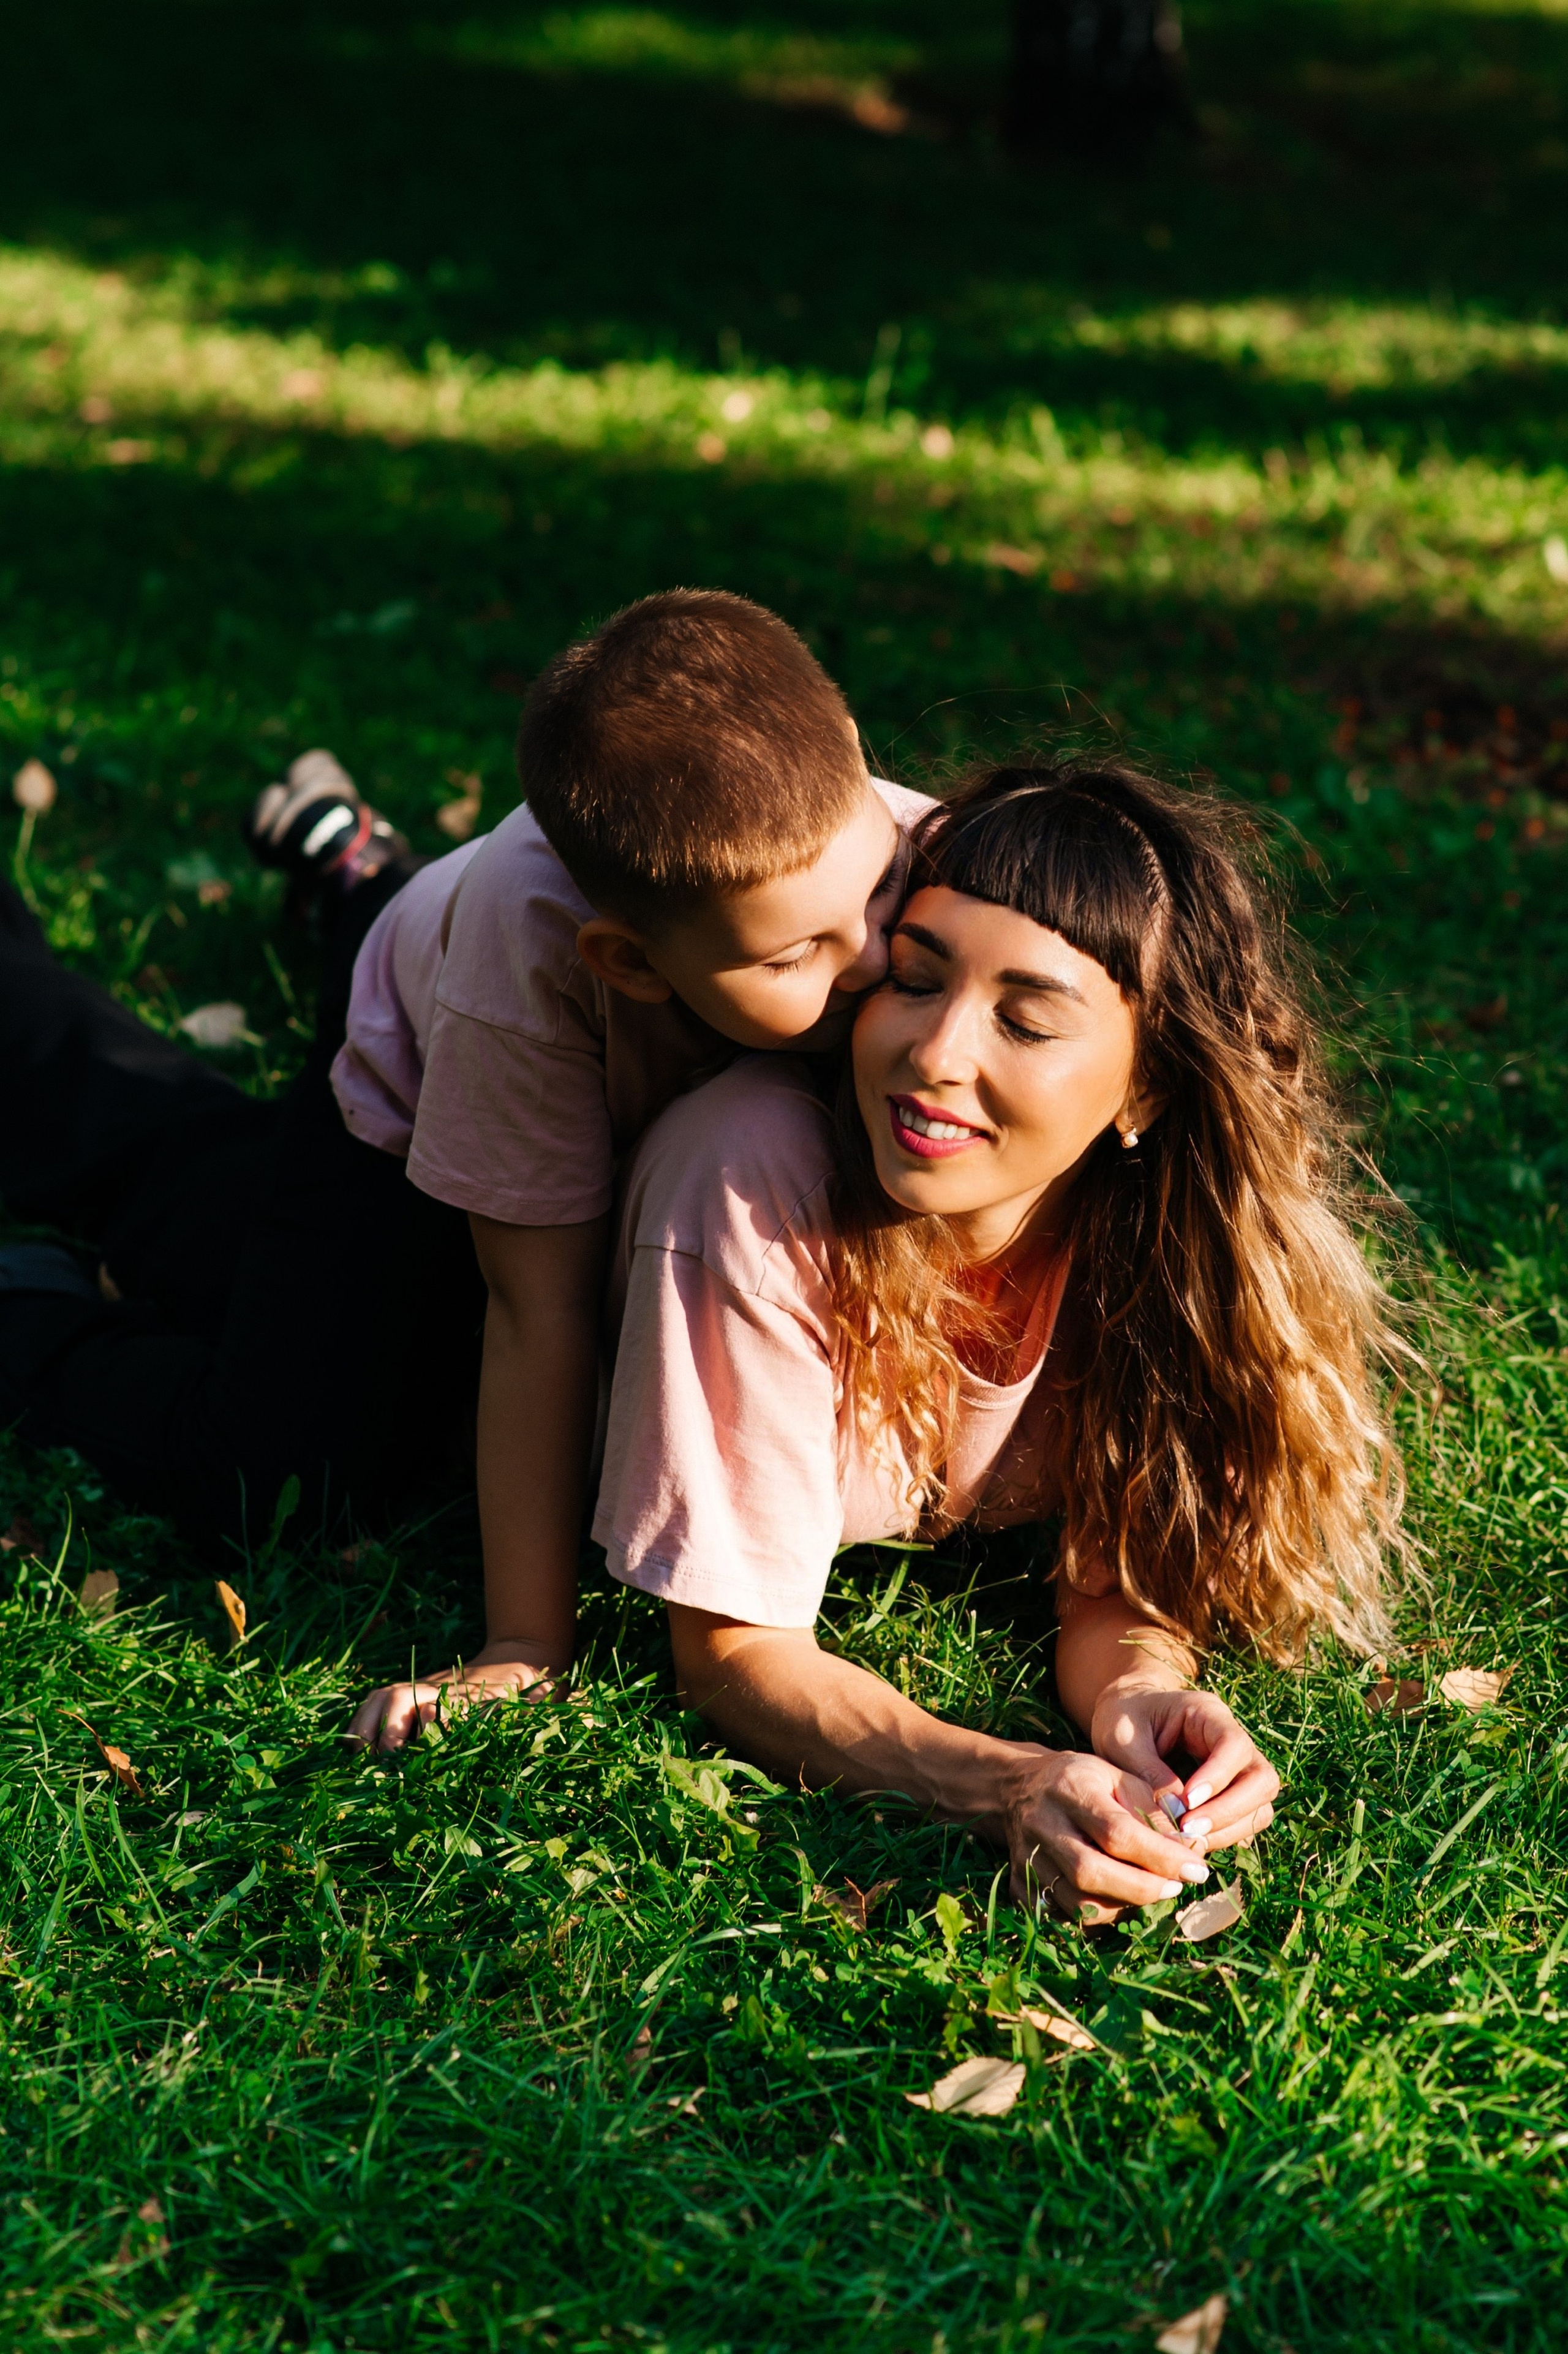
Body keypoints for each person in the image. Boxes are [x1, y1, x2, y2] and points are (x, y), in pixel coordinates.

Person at [355, 759, 1407, 1922]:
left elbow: (1113, 1585)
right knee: (251, 1419)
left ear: (1146, 1087)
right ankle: (322, 914)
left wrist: (1138, 1695)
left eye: (1027, 1018)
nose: (936, 1053)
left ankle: (349, 875)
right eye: (913, 980)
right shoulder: (748, 1182)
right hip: (420, 1128)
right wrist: (1007, 1782)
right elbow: (735, 1657)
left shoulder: (1163, 1247)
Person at [1, 592, 928, 1568]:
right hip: (418, 1065)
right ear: (634, 964)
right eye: (794, 959)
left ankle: (359, 875)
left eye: (877, 891)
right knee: (286, 1469)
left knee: (322, 1288)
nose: (873, 960)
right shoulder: (520, 975)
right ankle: (29, 1306)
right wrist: (526, 1641)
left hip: (541, 1044)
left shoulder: (915, 856)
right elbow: (539, 1308)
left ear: (857, 757)